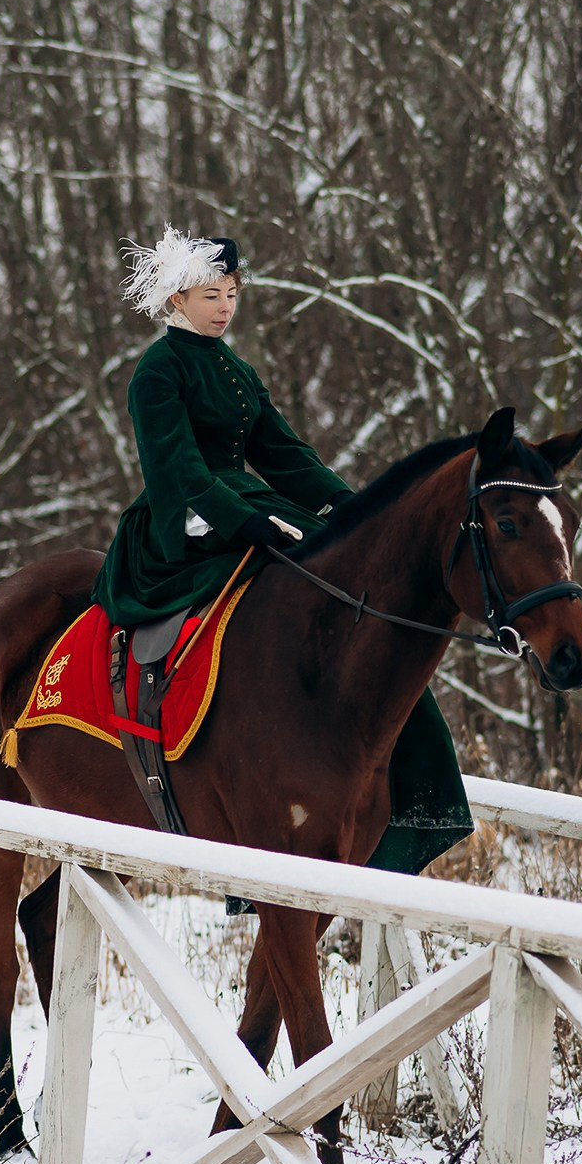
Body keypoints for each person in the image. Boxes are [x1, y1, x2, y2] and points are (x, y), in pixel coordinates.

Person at [92, 227, 472, 878]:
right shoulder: (158, 371)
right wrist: (245, 521)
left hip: (248, 507)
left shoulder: (236, 369)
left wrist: (356, 510)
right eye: (212, 294)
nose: (225, 306)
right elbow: (178, 473)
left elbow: (284, 455)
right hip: (177, 523)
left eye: (233, 293)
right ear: (178, 298)